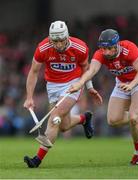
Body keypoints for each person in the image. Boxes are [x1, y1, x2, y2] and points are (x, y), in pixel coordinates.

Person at [23, 20, 102, 168]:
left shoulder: (80, 47)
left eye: (61, 40)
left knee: (54, 118)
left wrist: (89, 87)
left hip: (73, 84)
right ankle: (84, 119)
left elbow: (87, 68)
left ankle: (37, 160)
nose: (58, 44)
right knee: (63, 126)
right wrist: (29, 97)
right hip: (52, 86)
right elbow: (33, 72)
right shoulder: (43, 48)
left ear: (66, 37)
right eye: (55, 41)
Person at [69, 29, 138, 165]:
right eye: (103, 48)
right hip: (122, 82)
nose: (106, 52)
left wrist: (131, 85)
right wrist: (80, 83)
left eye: (109, 48)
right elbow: (92, 70)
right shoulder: (100, 54)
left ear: (117, 45)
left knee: (132, 117)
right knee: (113, 120)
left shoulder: (128, 48)